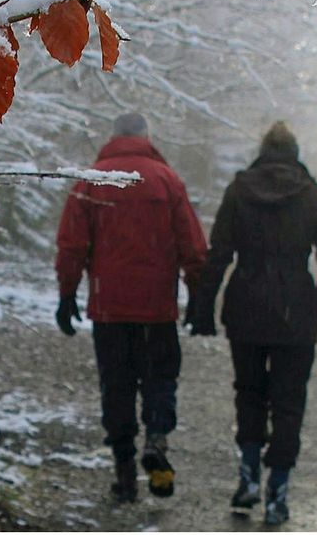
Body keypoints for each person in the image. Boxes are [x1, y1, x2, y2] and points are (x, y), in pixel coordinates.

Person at [186, 121, 317, 525]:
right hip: (296, 310)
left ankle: (248, 475)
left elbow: (218, 251)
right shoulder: (312, 197)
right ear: (295, 153)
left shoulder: (240, 191)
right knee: (290, 401)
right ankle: (278, 488)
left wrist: (202, 306)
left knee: (250, 392)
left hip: (246, 307)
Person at [54, 112, 207, 504]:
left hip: (110, 308)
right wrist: (198, 295)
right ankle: (156, 438)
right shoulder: (166, 180)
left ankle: (124, 472)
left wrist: (67, 293)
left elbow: (72, 244)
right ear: (146, 136)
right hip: (157, 308)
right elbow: (192, 244)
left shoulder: (93, 180)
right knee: (160, 378)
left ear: (114, 136)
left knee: (116, 385)